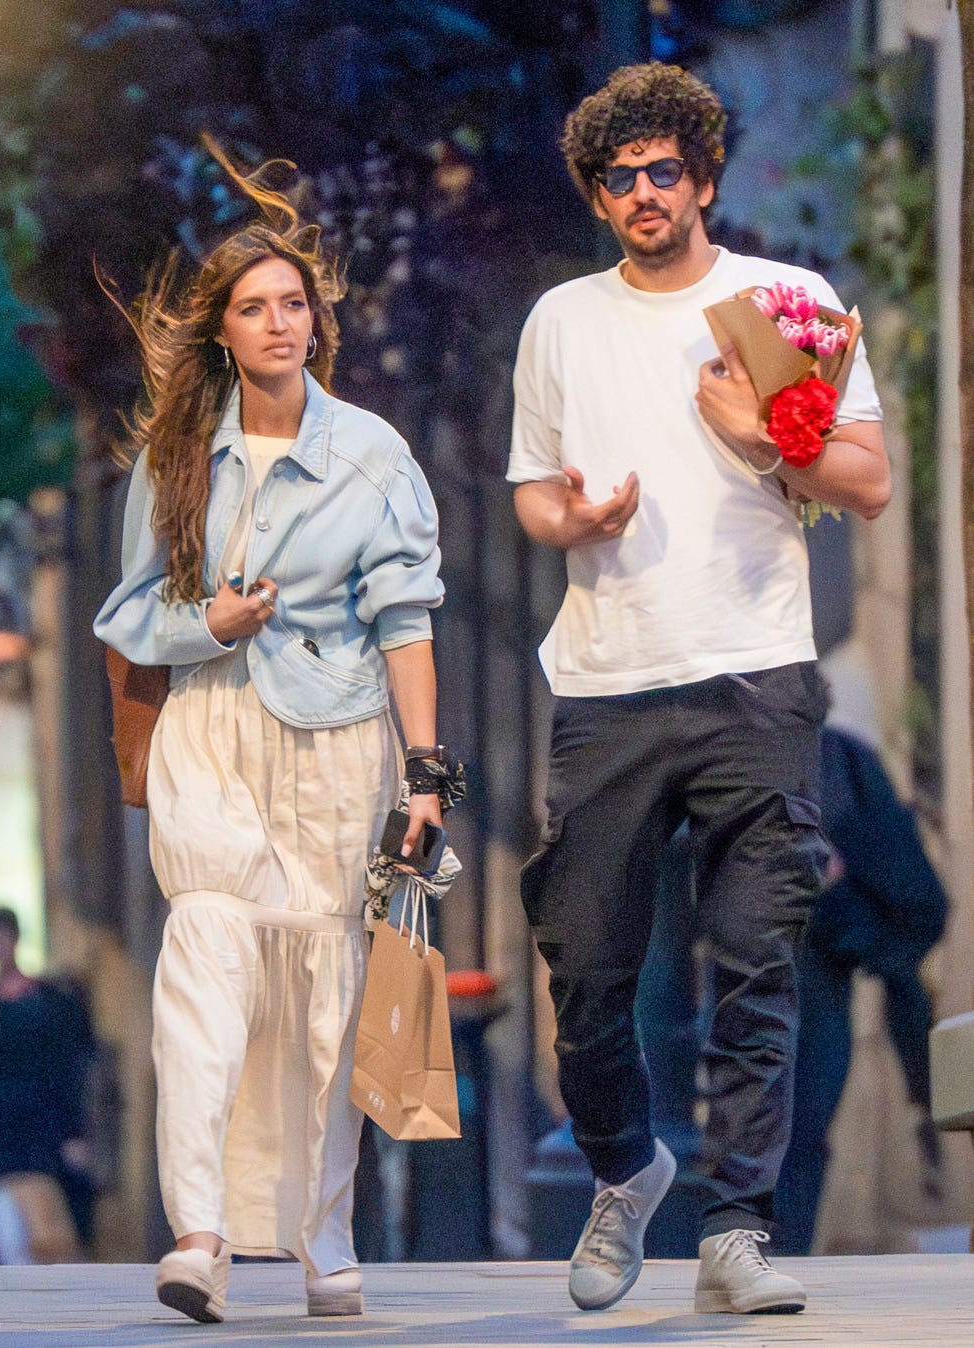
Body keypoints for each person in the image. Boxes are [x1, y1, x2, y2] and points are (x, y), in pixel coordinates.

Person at [507, 62, 890, 1316]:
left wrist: (753, 432)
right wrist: (573, 517)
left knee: (754, 958)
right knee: (586, 966)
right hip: (608, 683)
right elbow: (529, 493)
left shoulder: (785, 303)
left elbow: (865, 480)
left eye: (661, 171)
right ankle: (626, 1169)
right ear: (598, 196)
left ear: (703, 177)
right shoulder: (560, 319)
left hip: (751, 674)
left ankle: (735, 1228)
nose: (640, 193)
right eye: (617, 179)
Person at [94, 144, 450, 1322]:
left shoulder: (374, 454)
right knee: (204, 944)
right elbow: (130, 614)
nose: (280, 322)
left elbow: (405, 620)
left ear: (316, 323)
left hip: (339, 745)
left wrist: (424, 772)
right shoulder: (176, 459)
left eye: (294, 303)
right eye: (255, 308)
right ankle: (197, 1231)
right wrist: (211, 622)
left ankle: (320, 1234)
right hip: (211, 733)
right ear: (223, 334)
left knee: (325, 989)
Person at [775, 723, 948, 1254]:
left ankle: (778, 1252)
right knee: (797, 1129)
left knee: (796, 1130)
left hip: (814, 954)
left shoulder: (836, 752)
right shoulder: (840, 751)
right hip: (807, 954)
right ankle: (777, 1252)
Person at [0, 905, 98, 1263]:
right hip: (2, 1132)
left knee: (49, 1234)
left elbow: (64, 1068)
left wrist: (73, 1131)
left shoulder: (47, 1000)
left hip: (41, 1127)